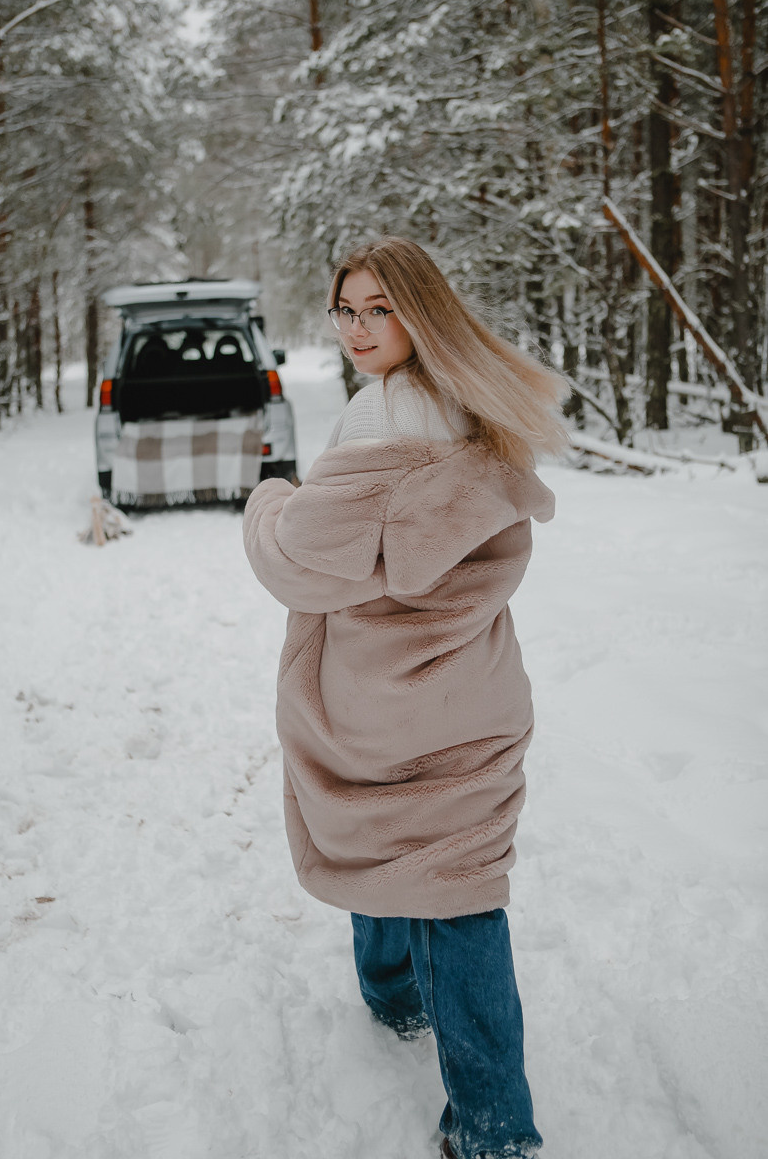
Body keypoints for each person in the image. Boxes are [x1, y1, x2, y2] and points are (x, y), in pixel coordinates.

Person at [242, 236, 569, 1159]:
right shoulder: (476, 410)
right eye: (346, 309)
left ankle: (394, 999)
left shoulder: (377, 417)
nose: (357, 328)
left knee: (372, 826)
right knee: (458, 881)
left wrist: (268, 501)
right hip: (472, 688)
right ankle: (495, 1122)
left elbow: (301, 554)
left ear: (418, 311)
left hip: (378, 698)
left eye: (378, 308)